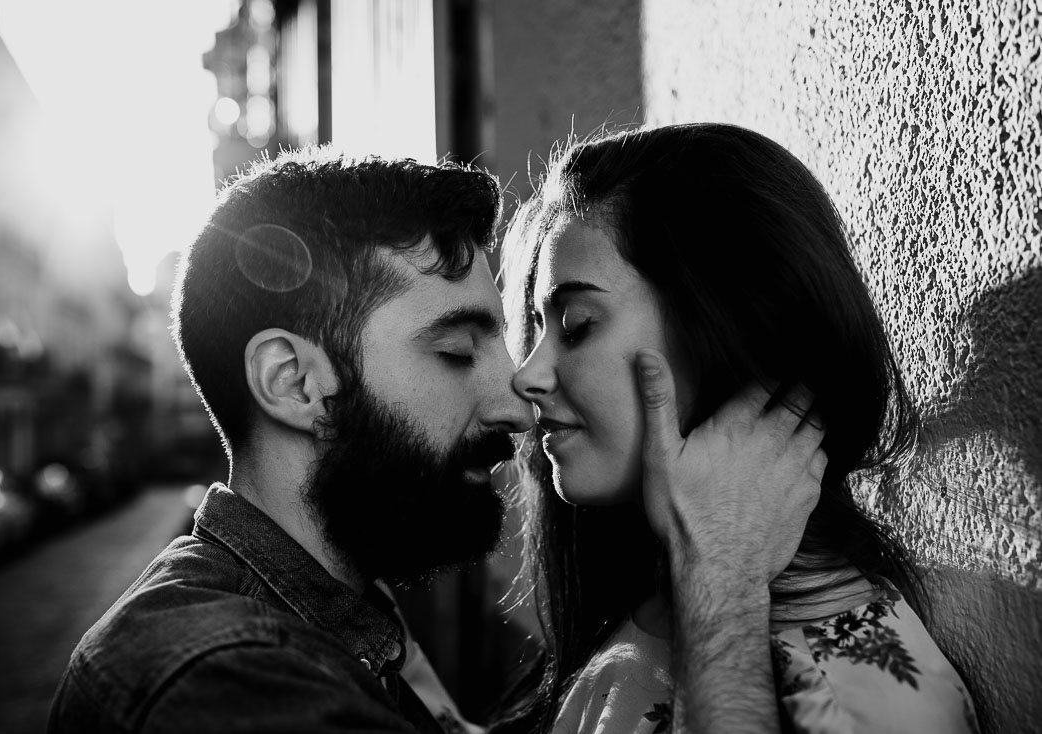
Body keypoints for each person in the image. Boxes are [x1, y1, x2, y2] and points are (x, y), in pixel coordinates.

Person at [48, 147, 822, 734]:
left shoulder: (338, 618)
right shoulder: (225, 681)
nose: (516, 402)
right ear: (293, 382)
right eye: (455, 352)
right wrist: (721, 581)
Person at [498, 123, 980, 734]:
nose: (528, 376)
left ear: (728, 332)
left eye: (578, 323)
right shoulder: (663, 600)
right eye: (539, 329)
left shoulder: (865, 703)